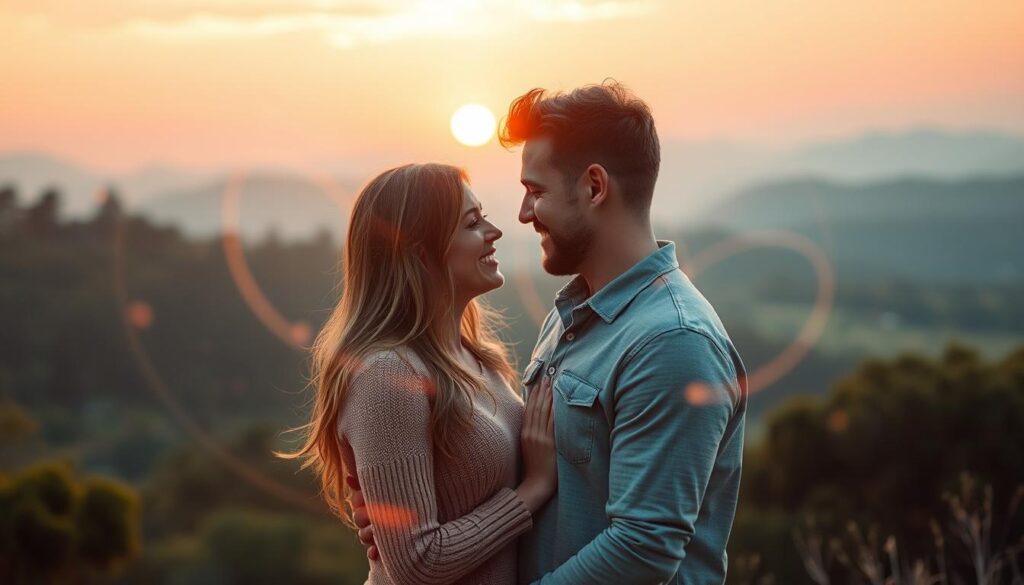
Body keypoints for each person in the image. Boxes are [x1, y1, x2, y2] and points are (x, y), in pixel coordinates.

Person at [354, 81, 748, 584]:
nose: (522, 215)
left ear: (594, 187)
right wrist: (411, 526)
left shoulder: (672, 342)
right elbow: (546, 472)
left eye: (536, 192)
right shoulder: (569, 317)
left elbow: (643, 547)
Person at [280, 163, 558, 585]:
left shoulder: (476, 358)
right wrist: (532, 490)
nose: (494, 231)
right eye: (472, 223)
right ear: (420, 253)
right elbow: (418, 563)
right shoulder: (386, 377)